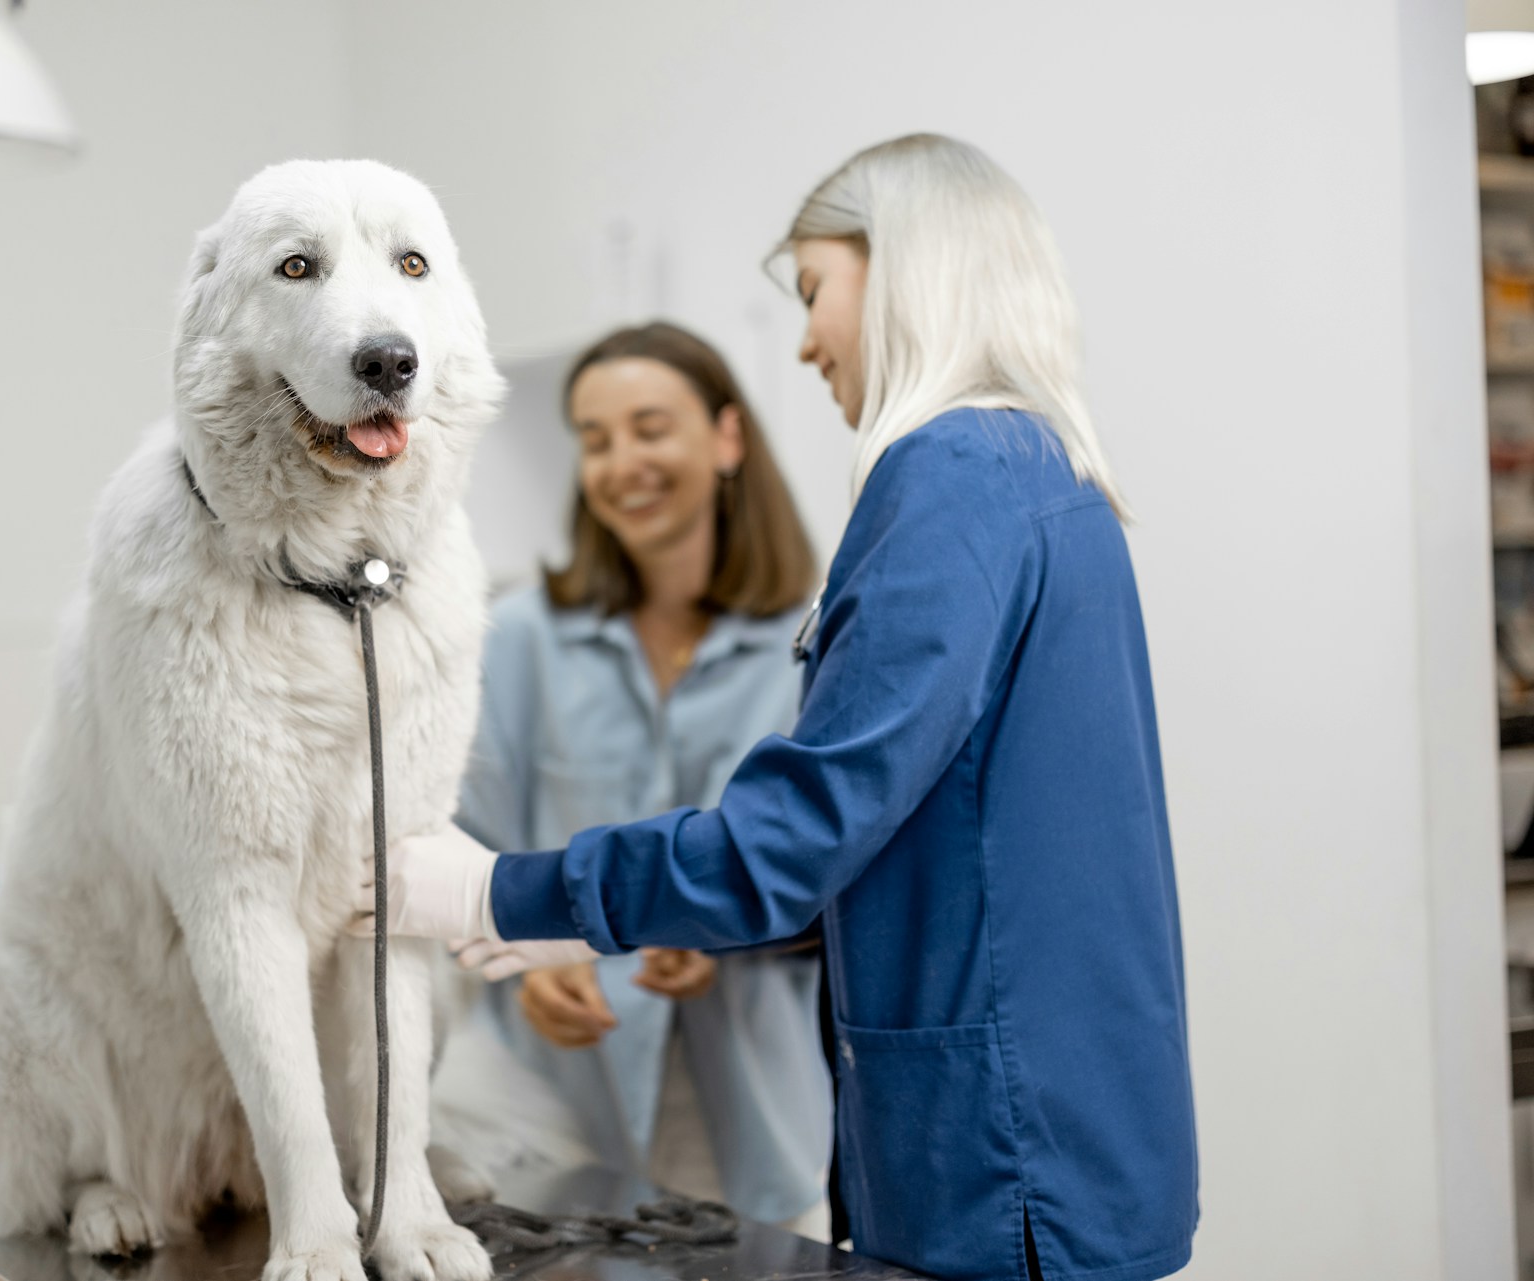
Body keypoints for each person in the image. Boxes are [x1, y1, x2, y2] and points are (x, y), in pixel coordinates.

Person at [365, 134, 1198, 1281]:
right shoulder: (1039, 474)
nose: (805, 339)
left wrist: (491, 890)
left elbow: (791, 839)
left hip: (1003, 1164)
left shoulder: (948, 476)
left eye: (814, 292)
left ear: (905, 269)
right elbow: (938, 841)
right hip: (1071, 1142)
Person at [452, 322, 831, 1236]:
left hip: (755, 1117)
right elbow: (461, 851)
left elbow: (841, 875)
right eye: (595, 437)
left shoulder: (812, 643)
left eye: (650, 427)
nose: (623, 462)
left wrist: (731, 931)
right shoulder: (521, 640)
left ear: (727, 437)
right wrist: (523, 965)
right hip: (553, 1109)